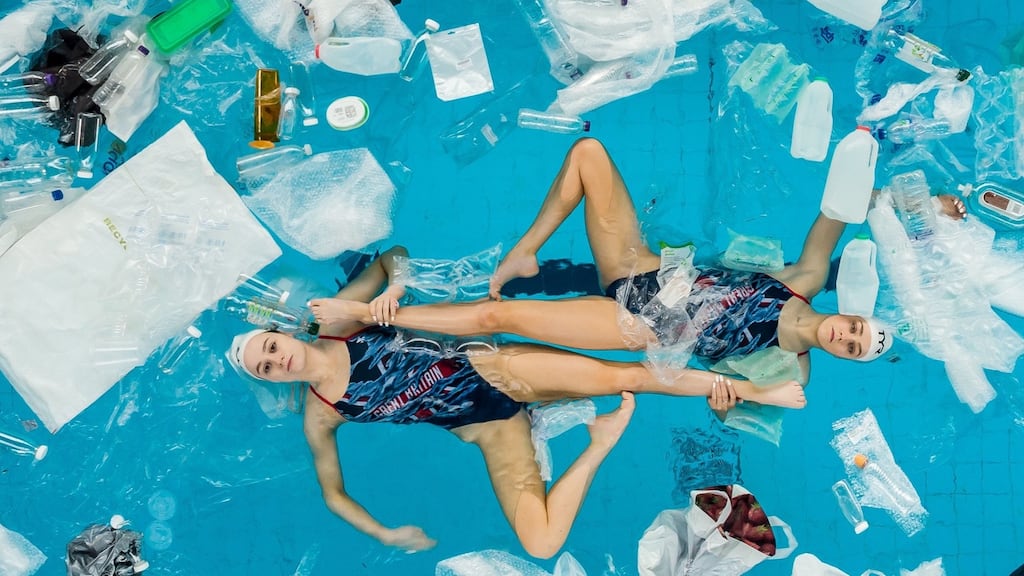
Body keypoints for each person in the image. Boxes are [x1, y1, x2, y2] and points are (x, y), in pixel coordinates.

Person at [226, 246, 806, 559]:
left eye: (271, 348)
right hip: (484, 426)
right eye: (267, 369)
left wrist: (394, 289)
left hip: (498, 369)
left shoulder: (336, 322)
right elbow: (332, 493)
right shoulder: (321, 413)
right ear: (272, 380)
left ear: (286, 336)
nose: (278, 362)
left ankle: (758, 389)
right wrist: (382, 534)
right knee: (542, 542)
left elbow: (390, 255)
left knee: (628, 377)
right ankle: (599, 444)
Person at [310, 138, 968, 413]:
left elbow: (719, 398)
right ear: (854, 313)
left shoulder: (790, 374)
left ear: (842, 356)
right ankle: (525, 254)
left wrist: (731, 399)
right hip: (644, 270)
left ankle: (366, 316)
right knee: (589, 153)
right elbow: (845, 207)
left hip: (637, 323)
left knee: (496, 319)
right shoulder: (808, 276)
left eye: (851, 347)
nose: (845, 336)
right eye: (856, 329)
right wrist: (923, 207)